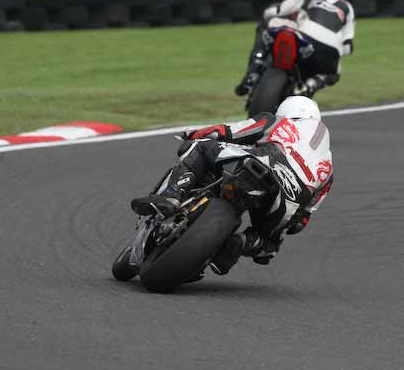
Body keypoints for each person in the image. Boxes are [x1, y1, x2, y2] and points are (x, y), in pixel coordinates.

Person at [131, 96, 333, 275]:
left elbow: (229, 131)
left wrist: (195, 133)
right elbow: (302, 219)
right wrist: (284, 227)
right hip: (289, 199)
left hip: (266, 161)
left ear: (286, 111)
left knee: (201, 147)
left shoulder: (279, 121)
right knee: (269, 244)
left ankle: (171, 194)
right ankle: (244, 244)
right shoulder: (328, 166)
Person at [235, 0, 355, 98]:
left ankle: (254, 72)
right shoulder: (348, 7)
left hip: (306, 40)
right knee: (334, 73)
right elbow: (348, 48)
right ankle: (312, 83)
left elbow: (279, 11)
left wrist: (267, 14)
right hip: (331, 53)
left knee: (267, 24)